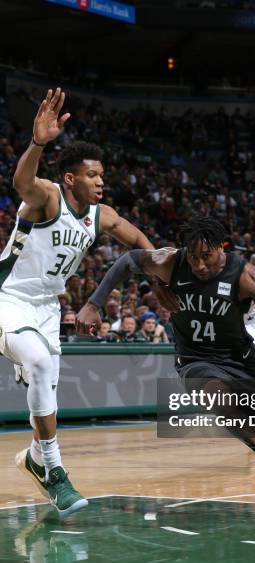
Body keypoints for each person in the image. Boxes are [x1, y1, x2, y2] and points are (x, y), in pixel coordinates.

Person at [77, 216, 255, 507]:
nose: (199, 265)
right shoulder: (170, 262)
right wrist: (94, 303)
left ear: (222, 247)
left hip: (245, 361)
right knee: (217, 397)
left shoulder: (245, 276)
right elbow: (129, 260)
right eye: (193, 257)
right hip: (197, 359)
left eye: (206, 256)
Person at [2, 88, 175, 518]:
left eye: (103, 175)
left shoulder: (101, 215)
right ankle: (57, 471)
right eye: (94, 175)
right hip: (8, 297)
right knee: (39, 365)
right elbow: (21, 182)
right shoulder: (47, 197)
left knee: (46, 392)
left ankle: (37, 461)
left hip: (46, 307)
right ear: (71, 178)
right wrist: (38, 143)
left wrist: (160, 280)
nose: (102, 181)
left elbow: (137, 241)